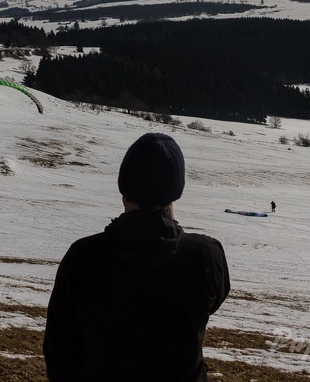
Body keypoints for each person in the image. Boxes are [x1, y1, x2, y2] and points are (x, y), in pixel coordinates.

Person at [44, 133, 230, 382]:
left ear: (125, 191)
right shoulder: (207, 256)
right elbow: (213, 301)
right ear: (175, 191)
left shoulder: (82, 257)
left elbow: (59, 353)